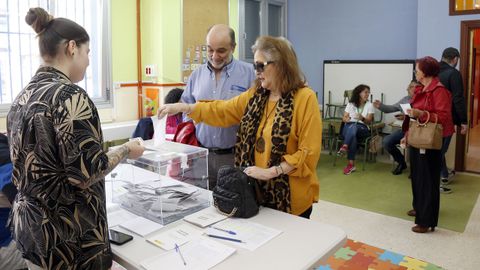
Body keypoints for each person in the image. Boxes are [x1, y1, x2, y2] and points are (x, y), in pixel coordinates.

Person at [6, 8, 145, 269]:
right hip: (69, 241)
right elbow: (86, 172)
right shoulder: (70, 96)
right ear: (72, 47)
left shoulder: (21, 98)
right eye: (88, 52)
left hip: (33, 233)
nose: (89, 60)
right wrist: (127, 149)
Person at [159, 36, 322, 218]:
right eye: (255, 66)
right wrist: (185, 107)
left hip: (289, 198)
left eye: (261, 65)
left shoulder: (305, 98)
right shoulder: (256, 95)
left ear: (281, 65)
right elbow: (223, 110)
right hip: (256, 194)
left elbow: (309, 151)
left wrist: (272, 171)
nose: (257, 71)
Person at [181, 24, 255, 188]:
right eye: (210, 50)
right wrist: (194, 122)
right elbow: (185, 108)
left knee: (231, 206)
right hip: (201, 155)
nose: (214, 56)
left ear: (233, 48)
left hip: (233, 157)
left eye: (221, 51)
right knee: (201, 205)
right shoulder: (196, 75)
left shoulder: (250, 73)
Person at [401, 56, 454, 233]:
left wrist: (421, 113)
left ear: (426, 71)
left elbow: (444, 118)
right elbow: (415, 116)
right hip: (418, 137)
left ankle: (426, 220)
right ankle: (419, 208)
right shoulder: (421, 89)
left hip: (430, 140)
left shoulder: (439, 91)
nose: (415, 71)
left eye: (417, 69)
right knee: (416, 176)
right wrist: (407, 134)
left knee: (427, 180)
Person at [437, 47, 468, 193]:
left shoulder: (432, 71)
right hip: (445, 120)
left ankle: (444, 175)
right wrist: (463, 121)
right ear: (455, 59)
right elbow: (458, 99)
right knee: (438, 152)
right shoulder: (453, 74)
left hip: (429, 118)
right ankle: (437, 185)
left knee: (435, 150)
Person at [373, 80, 417, 175]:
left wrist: (405, 117)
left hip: (418, 131)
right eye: (410, 86)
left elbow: (420, 116)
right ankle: (401, 163)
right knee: (387, 141)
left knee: (415, 146)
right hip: (405, 130)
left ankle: (416, 170)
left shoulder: (423, 99)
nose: (409, 89)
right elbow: (392, 108)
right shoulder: (405, 99)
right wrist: (380, 106)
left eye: (413, 86)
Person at [336, 84, 375, 175]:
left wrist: (362, 118)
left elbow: (368, 121)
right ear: (359, 93)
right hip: (349, 126)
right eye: (365, 92)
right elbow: (344, 118)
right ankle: (351, 165)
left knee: (353, 128)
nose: (367, 94)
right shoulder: (350, 104)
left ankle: (345, 146)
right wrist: (346, 119)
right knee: (353, 134)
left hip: (363, 128)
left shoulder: (370, 105)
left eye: (368, 93)